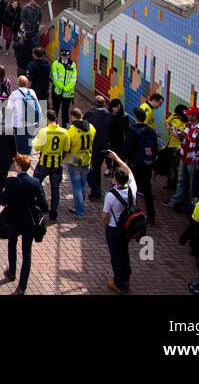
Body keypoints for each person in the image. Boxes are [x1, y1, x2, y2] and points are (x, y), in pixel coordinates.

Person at [1, 154, 47, 294]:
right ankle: (22, 287)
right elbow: (44, 204)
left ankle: (12, 271)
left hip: (14, 219)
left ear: (19, 166)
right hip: (29, 221)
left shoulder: (10, 182)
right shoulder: (35, 183)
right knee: (27, 254)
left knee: (12, 243)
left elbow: (3, 200)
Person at [101, 151, 136, 294]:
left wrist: (106, 225)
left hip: (114, 229)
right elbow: (129, 171)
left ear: (115, 179)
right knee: (124, 251)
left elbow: (105, 215)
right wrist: (116, 158)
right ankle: (126, 276)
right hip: (127, 227)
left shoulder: (110, 195)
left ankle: (118, 283)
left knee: (115, 256)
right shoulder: (132, 189)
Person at [32, 109, 68, 221]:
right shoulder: (64, 132)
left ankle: (43, 205)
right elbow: (66, 148)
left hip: (44, 163)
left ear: (47, 119)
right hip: (57, 164)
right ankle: (54, 213)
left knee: (36, 182)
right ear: (56, 118)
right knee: (55, 189)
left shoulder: (43, 131)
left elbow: (37, 148)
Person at [65, 108, 95, 218]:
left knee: (76, 186)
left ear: (73, 116)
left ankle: (79, 210)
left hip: (74, 160)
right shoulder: (91, 127)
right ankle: (80, 205)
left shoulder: (71, 130)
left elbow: (67, 147)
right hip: (87, 159)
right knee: (83, 184)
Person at [49, 46, 77, 124]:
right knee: (55, 110)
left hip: (67, 93)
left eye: (66, 56)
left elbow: (73, 78)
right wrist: (62, 87)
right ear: (60, 56)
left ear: (68, 56)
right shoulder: (55, 63)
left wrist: (66, 88)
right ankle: (54, 125)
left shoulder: (72, 65)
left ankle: (65, 126)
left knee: (65, 111)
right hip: (57, 91)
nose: (65, 57)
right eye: (63, 56)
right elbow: (55, 77)